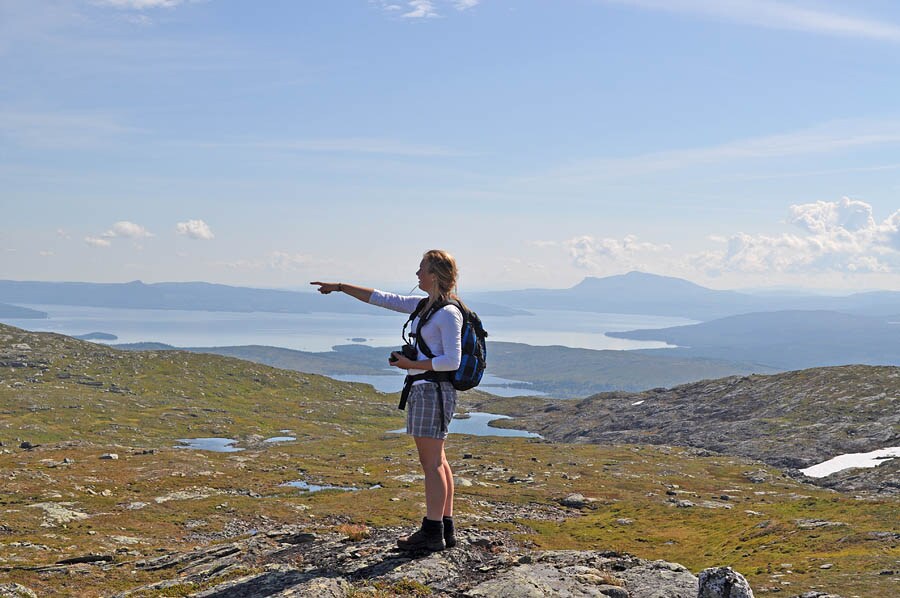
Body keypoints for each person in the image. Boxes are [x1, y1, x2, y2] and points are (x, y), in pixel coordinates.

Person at [310, 249, 463, 552]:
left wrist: (413, 365)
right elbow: (381, 298)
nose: (417, 274)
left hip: (433, 390)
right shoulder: (426, 306)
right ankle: (445, 528)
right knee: (438, 462)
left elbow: (452, 361)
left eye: (422, 268)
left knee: (431, 464)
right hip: (427, 390)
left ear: (434, 274)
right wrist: (341, 287)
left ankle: (432, 532)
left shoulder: (447, 312)